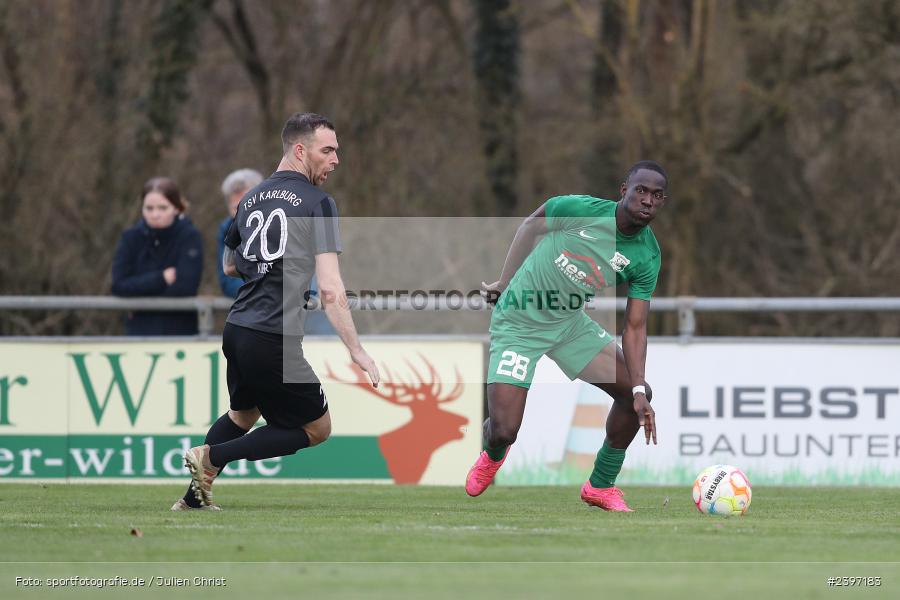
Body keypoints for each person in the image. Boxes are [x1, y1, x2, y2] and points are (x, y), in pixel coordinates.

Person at [172, 112, 379, 510]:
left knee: (242, 415)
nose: (336, 159)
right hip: (272, 337)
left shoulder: (251, 197)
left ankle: (193, 499)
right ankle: (211, 457)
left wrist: (267, 268)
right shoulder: (318, 202)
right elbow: (332, 286)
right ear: (300, 150)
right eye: (328, 150)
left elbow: (230, 264)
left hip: (238, 327)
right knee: (316, 428)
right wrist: (356, 349)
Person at [466, 161, 668, 512]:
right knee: (504, 431)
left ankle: (600, 485)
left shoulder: (647, 256)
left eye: (657, 195)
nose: (648, 200)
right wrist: (505, 282)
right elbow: (530, 226)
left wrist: (637, 389)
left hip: (570, 327)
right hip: (519, 320)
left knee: (638, 392)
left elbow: (635, 326)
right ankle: (493, 450)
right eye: (641, 191)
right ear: (624, 191)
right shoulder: (579, 209)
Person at [111, 177, 203, 335]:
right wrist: (161, 278)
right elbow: (119, 285)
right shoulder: (130, 237)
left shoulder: (190, 237)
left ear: (176, 208)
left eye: (162, 208)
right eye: (149, 208)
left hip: (180, 334)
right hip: (138, 333)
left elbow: (186, 288)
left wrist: (139, 300)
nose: (155, 214)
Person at [217, 169, 263, 298]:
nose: (242, 212)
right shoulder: (226, 229)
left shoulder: (278, 224)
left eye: (247, 204)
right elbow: (226, 278)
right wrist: (255, 292)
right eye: (236, 207)